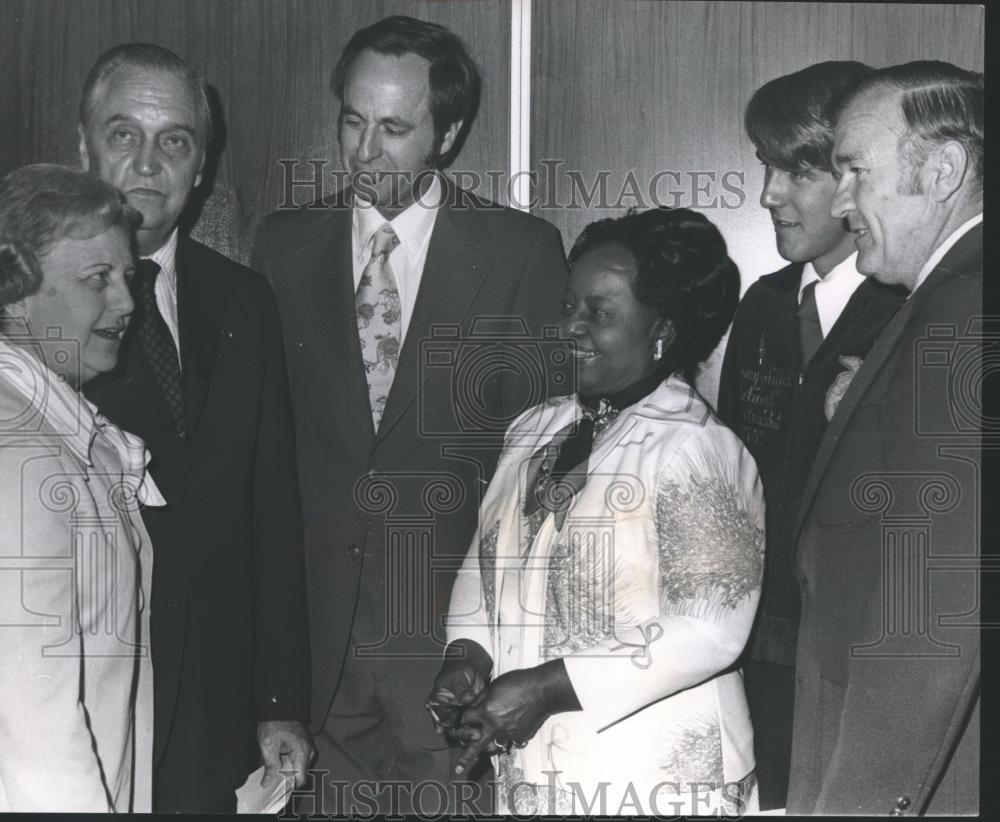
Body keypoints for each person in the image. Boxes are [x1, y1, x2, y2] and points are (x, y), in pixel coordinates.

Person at [252, 16, 568, 813]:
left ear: (449, 132)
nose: (364, 152)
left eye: (394, 128)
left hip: (447, 662)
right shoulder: (282, 245)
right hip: (314, 659)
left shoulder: (522, 251)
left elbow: (534, 475)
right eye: (352, 122)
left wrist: (492, 649)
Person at [431, 207, 765, 816]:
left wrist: (548, 688)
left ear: (661, 328)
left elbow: (713, 629)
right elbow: (485, 563)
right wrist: (468, 653)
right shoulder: (534, 429)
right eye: (568, 307)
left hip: (658, 781)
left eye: (599, 313)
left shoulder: (696, 447)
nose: (571, 328)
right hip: (540, 774)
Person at [78, 43, 313, 812]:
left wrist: (279, 698)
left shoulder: (245, 301)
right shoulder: (24, 307)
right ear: (82, 146)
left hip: (214, 711)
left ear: (201, 165)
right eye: (123, 135)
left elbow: (271, 511)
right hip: (75, 700)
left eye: (174, 140)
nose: (148, 162)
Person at [787, 61, 982, 815]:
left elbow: (928, 622)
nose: (840, 203)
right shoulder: (947, 300)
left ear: (942, 171)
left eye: (854, 172)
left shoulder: (964, 313)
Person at [716, 61, 906, 809]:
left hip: (863, 657)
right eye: (768, 167)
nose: (769, 194)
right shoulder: (762, 307)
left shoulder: (908, 311)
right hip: (758, 648)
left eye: (798, 171)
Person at [0, 164, 159, 811]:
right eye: (98, 280)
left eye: (127, 276)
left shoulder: (60, 430)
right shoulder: (19, 460)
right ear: (15, 294)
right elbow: (37, 736)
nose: (126, 303)